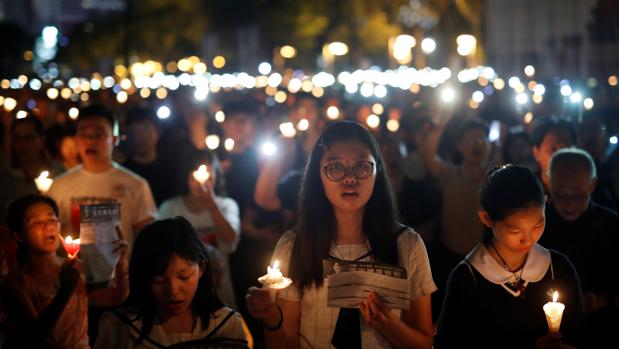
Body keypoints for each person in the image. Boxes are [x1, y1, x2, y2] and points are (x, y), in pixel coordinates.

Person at [246, 120, 436, 348]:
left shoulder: (407, 244)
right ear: (319, 174)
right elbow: (284, 343)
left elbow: (424, 343)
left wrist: (388, 324)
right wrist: (271, 317)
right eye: (335, 167)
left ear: (378, 172)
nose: (349, 178)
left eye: (362, 166)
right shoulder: (295, 246)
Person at [435, 165, 584, 349]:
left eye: (538, 225)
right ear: (487, 218)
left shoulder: (558, 268)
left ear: (545, 203)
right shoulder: (468, 278)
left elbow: (578, 334)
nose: (529, 239)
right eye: (515, 230)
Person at [95, 217, 253, 348]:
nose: (173, 291)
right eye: (159, 280)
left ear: (202, 267)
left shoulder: (226, 325)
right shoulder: (120, 327)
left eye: (184, 277)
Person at [540, 148, 619, 348]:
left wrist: (601, 299)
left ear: (592, 185)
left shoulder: (611, 225)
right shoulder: (535, 225)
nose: (569, 204)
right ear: (548, 182)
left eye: (578, 196)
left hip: (600, 331)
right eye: (561, 196)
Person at [47, 104, 157, 248]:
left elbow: (148, 239)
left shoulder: (136, 184)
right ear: (76, 139)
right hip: (73, 270)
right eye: (84, 133)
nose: (90, 140)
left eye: (98, 134)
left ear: (114, 139)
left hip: (121, 270)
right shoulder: (58, 186)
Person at [1, 195, 88, 348]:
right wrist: (64, 291)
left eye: (52, 219)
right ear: (18, 235)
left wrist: (120, 264)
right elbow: (32, 336)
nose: (48, 226)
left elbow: (113, 299)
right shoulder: (16, 282)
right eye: (36, 222)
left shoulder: (77, 268)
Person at [159, 150, 240, 308]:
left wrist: (211, 202)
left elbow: (231, 240)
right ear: (187, 177)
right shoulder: (170, 208)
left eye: (209, 175)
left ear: (216, 175)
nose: (202, 181)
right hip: (180, 294)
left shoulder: (226, 205)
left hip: (219, 290)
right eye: (196, 175)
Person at [531, 118, 577, 192]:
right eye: (553, 149)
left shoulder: (584, 188)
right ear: (536, 153)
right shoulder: (526, 191)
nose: (561, 156)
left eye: (566, 149)